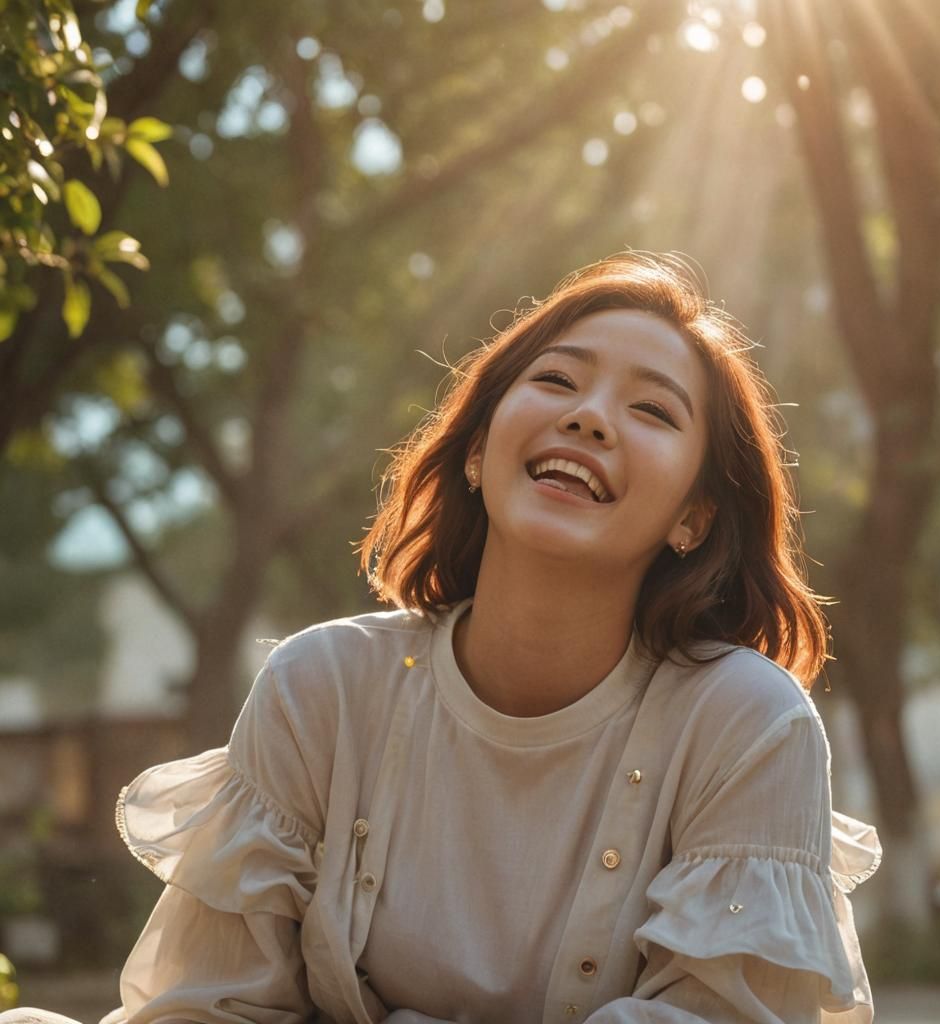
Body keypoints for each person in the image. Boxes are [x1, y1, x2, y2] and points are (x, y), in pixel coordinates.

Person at [4, 252, 880, 1024]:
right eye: (557, 381)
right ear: (478, 449)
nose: (590, 417)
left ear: (695, 515)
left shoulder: (749, 726)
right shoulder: (324, 687)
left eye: (653, 410)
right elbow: (207, 1009)